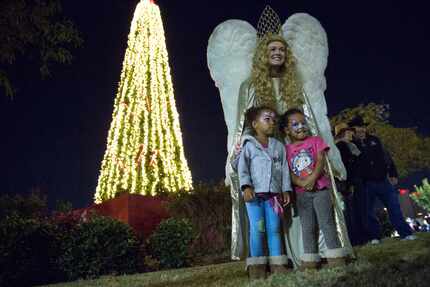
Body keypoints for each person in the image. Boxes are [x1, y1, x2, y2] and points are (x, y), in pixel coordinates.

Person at [207, 10, 352, 266]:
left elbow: (312, 119)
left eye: (282, 50)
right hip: (267, 153)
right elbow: (241, 126)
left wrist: (326, 155)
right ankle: (278, 258)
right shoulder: (249, 86)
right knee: (274, 205)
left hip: (297, 151)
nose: (277, 53)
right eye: (272, 49)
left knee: (302, 203)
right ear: (264, 54)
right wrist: (238, 159)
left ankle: (311, 253)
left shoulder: (294, 83)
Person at [282, 108, 347, 269]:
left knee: (327, 223)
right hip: (302, 195)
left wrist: (311, 179)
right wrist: (300, 182)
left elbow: (320, 160)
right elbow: (288, 171)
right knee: (307, 226)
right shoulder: (286, 150)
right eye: (295, 124)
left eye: (303, 123)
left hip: (321, 191)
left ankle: (336, 259)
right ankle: (310, 261)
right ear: (286, 130)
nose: (300, 127)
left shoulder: (316, 140)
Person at [238, 106, 292, 279]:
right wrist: (246, 186)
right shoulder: (248, 146)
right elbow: (242, 168)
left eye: (273, 120)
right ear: (255, 124)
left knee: (275, 228)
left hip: (273, 197)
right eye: (266, 119)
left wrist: (285, 189)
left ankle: (278, 264)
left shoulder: (278, 146)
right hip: (254, 197)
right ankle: (257, 267)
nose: (271, 123)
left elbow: (284, 169)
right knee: (258, 229)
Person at [349, 115, 416, 243]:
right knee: (368, 212)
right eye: (357, 128)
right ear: (353, 131)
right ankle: (375, 237)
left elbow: (386, 157)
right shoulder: (352, 145)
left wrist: (393, 173)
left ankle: (406, 234)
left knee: (394, 207)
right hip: (366, 183)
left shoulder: (374, 140)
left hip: (383, 181)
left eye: (362, 127)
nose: (361, 130)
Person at [334, 122, 368, 245]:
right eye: (348, 132)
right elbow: (346, 166)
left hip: (353, 181)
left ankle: (359, 238)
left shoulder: (351, 145)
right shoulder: (341, 146)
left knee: (355, 210)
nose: (351, 134)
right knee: (353, 211)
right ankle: (357, 239)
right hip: (350, 183)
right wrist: (349, 184)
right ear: (342, 133)